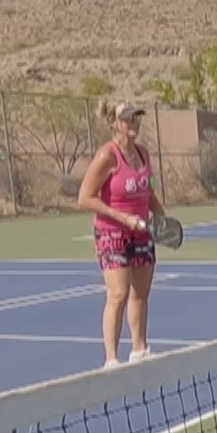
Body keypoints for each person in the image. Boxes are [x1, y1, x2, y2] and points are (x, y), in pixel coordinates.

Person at [77, 101, 166, 368]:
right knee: (118, 294)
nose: (133, 123)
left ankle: (139, 348)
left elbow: (148, 190)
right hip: (112, 234)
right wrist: (123, 217)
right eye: (127, 119)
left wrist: (162, 218)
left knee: (141, 292)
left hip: (141, 233)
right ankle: (111, 359)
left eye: (136, 118)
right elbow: (85, 198)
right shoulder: (107, 156)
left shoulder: (144, 154)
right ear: (114, 124)